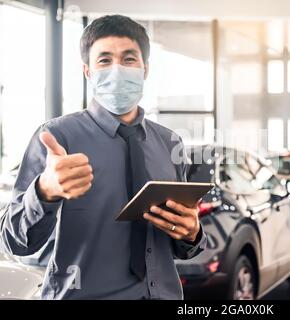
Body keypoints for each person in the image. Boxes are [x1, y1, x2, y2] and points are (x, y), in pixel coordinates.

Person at [0, 15, 206, 299]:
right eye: (104, 60)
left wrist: (192, 233)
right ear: (88, 72)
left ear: (145, 69)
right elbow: (15, 242)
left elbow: (182, 243)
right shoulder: (57, 137)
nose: (117, 69)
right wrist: (44, 191)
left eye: (129, 59)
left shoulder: (170, 142)